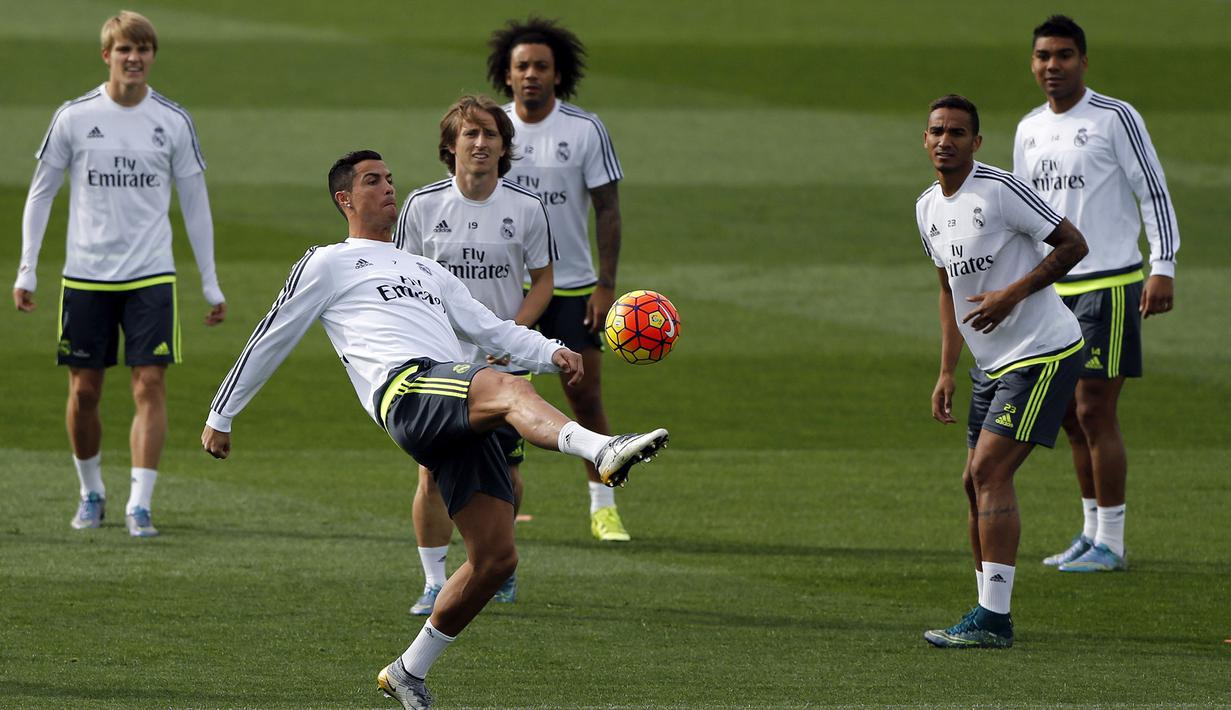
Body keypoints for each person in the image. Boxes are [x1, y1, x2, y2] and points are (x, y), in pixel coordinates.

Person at [201, 150, 667, 709]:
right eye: (373, 181)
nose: (389, 188)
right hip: (406, 390)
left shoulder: (424, 268)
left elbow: (490, 327)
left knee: (496, 558)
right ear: (344, 200)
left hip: (450, 400)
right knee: (507, 388)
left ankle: (408, 670)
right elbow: (272, 333)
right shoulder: (328, 263)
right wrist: (221, 415)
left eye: (391, 179)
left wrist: (554, 351)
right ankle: (603, 450)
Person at [13, 10, 226, 538]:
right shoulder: (74, 117)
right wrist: (28, 268)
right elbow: (42, 193)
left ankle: (140, 503)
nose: (135, 59)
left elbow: (194, 202)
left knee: (149, 384)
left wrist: (210, 280)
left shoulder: (172, 120)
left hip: (151, 273)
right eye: (125, 50)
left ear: (152, 56)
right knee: (85, 391)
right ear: (106, 55)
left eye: (144, 49)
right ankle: (90, 491)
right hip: (86, 275)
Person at [916, 95, 1088, 648]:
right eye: (937, 131)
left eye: (958, 133)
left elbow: (1073, 244)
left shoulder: (999, 189)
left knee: (989, 473)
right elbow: (949, 290)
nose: (946, 140)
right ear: (925, 140)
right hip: (990, 364)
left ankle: (995, 619)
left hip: (1044, 349)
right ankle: (985, 609)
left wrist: (1012, 295)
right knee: (973, 482)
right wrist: (947, 370)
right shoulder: (926, 208)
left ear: (977, 142)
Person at [1014, 15, 1180, 573]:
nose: (1052, 66)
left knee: (1093, 408)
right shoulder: (1029, 128)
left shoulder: (1114, 117)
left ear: (1084, 61)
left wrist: (1164, 265)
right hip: (1052, 287)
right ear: (1032, 63)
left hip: (1108, 282)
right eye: (1043, 56)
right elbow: (1023, 215)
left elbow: (1151, 189)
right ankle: (1090, 531)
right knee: (1066, 414)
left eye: (1063, 55)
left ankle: (1113, 540)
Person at [394, 95, 556, 615]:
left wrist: (511, 334)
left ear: (505, 146)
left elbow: (544, 282)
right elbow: (401, 280)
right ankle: (433, 581)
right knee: (431, 475)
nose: (481, 143)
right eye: (471, 134)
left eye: (490, 134)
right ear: (451, 145)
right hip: (440, 364)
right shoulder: (422, 206)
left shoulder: (527, 209)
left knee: (505, 473)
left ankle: (497, 567)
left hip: (504, 366)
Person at [487, 17, 631, 541]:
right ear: (506, 74)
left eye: (540, 67)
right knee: (500, 401)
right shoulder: (491, 131)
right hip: (508, 288)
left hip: (573, 287)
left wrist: (606, 284)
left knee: (585, 397)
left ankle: (603, 506)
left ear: (557, 74)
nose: (530, 75)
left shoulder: (583, 130)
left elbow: (608, 209)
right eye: (521, 66)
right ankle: (495, 515)